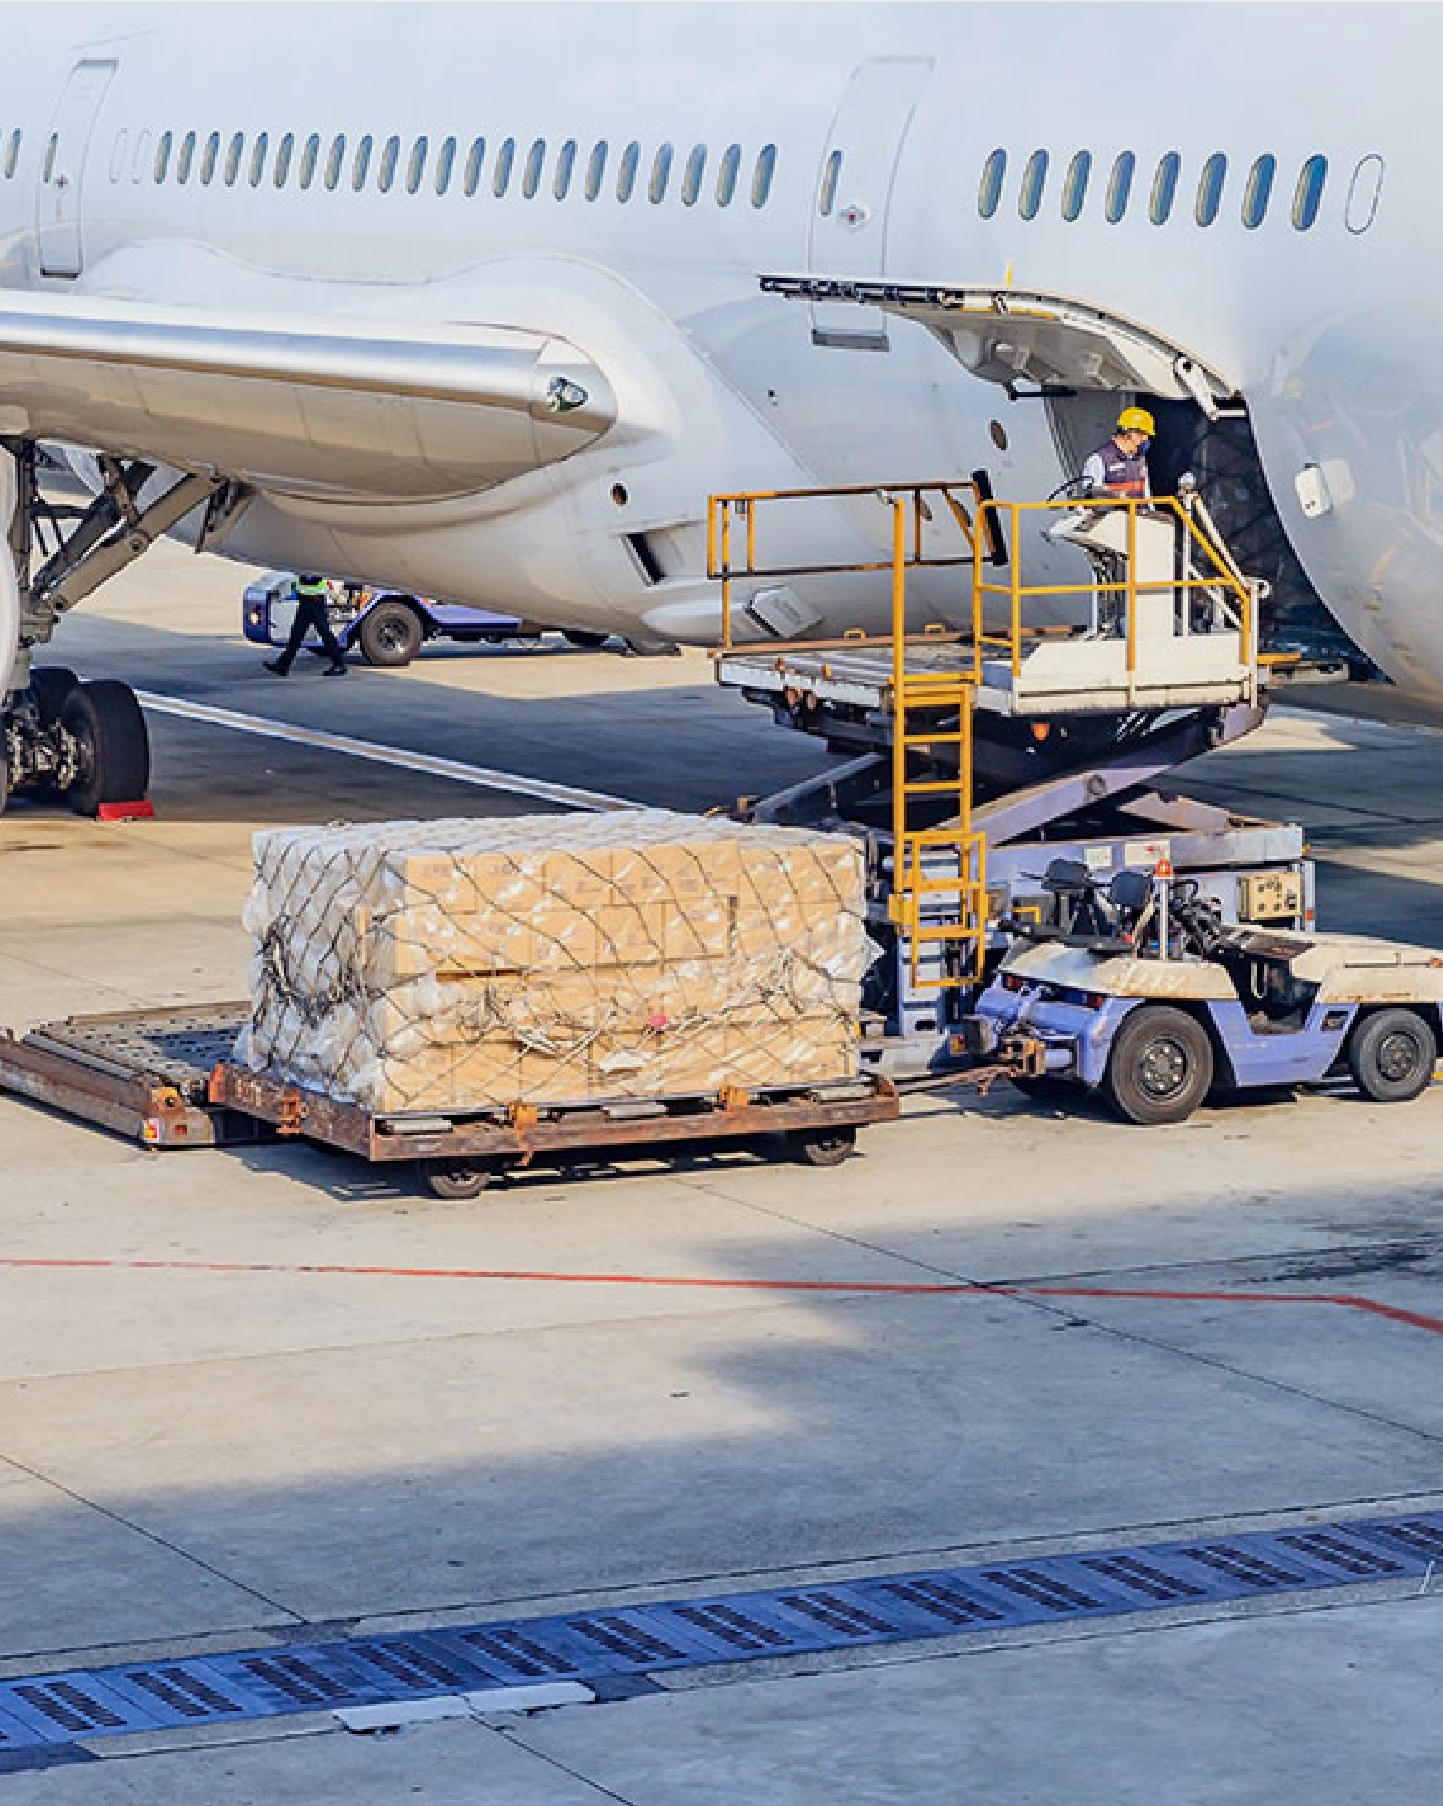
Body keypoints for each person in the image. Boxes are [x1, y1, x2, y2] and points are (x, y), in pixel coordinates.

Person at [265, 573, 347, 676]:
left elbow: (326, 583)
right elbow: (294, 581)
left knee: (325, 635)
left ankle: (339, 664)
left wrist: (336, 597)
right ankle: (282, 666)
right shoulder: (303, 566)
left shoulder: (314, 566)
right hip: (305, 602)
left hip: (315, 603)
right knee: (296, 635)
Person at [1080, 406, 1155, 502]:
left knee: (1167, 518)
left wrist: (1151, 510)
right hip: (1111, 514)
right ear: (1129, 433)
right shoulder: (1099, 459)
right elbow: (1091, 493)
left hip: (1138, 513)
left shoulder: (1139, 458)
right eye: (1143, 435)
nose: (1145, 439)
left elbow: (1146, 490)